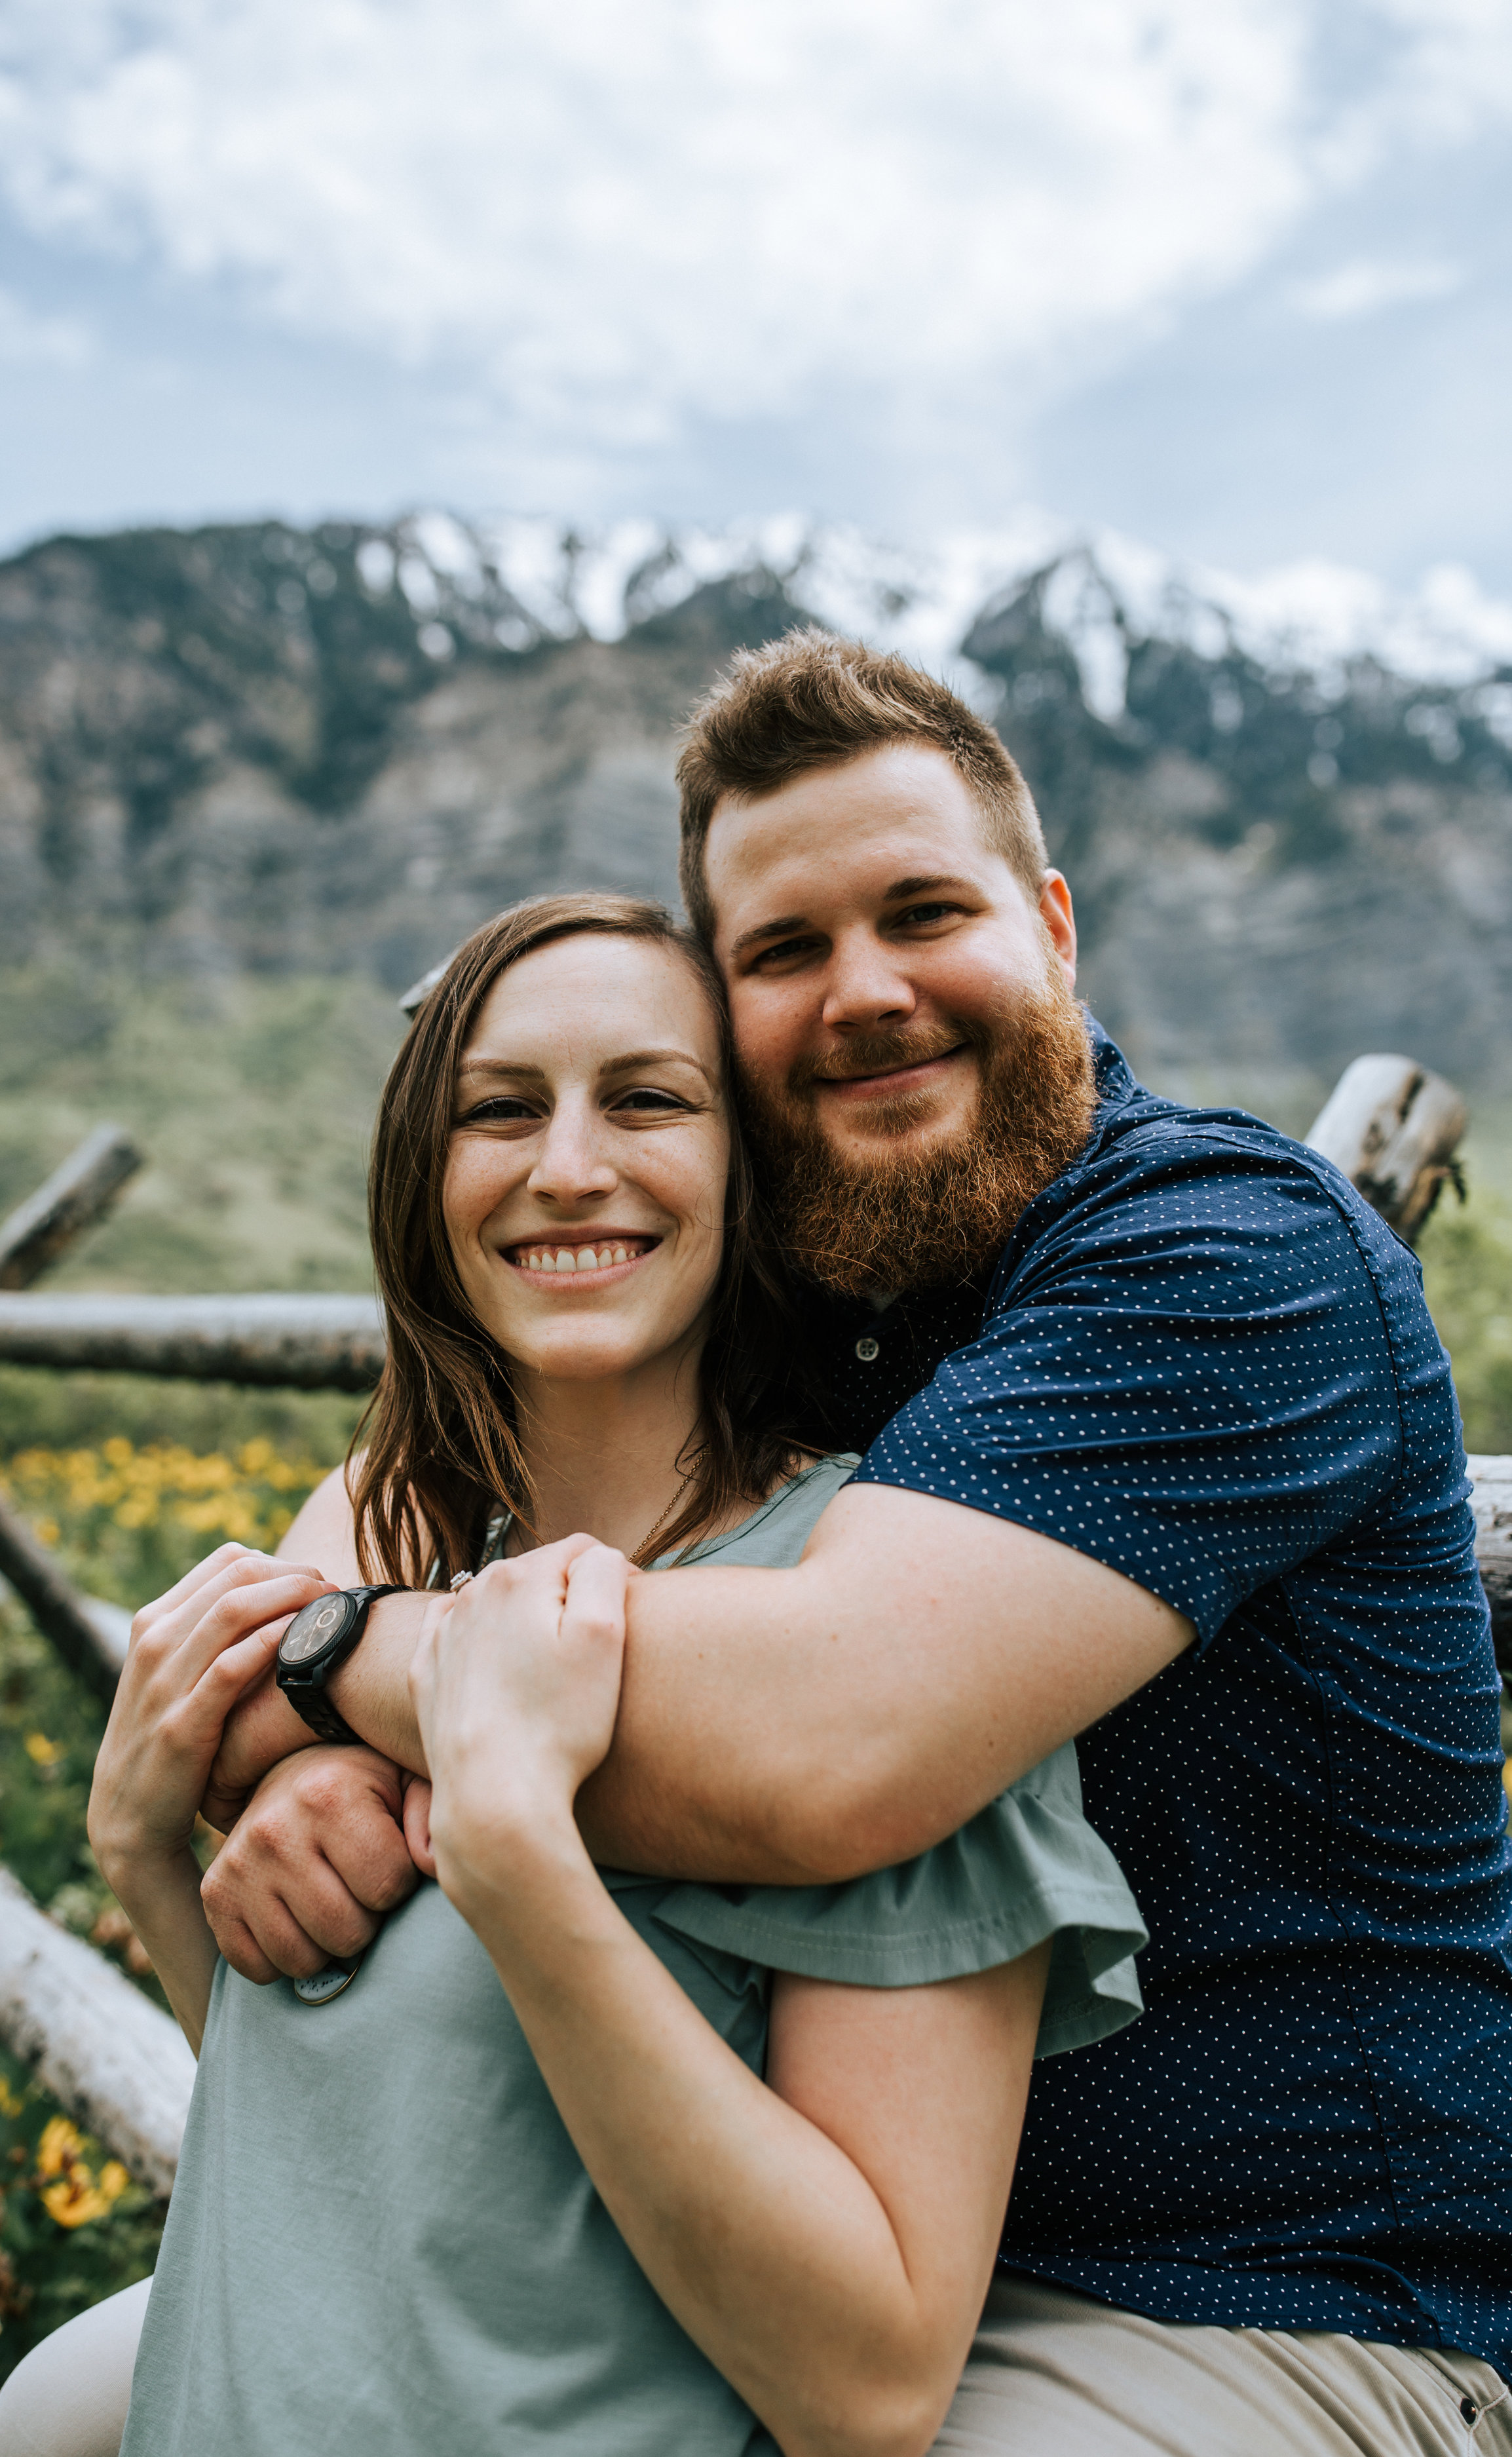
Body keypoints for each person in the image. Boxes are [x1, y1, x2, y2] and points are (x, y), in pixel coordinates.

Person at [202, 632, 1512, 2455]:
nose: (865, 992)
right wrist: (302, 1715)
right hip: (809, 2225)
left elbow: (833, 1741)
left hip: (1263, 2293)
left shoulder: (1219, 1251)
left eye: (922, 913)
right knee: (95, 2408)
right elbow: (409, 1476)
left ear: (1050, 923)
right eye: (784, 950)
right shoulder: (807, 1259)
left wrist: (341, 1668)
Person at [0, 892, 1144, 2457]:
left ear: (753, 1168)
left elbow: (867, 2387)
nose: (569, 1167)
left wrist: (519, 1851)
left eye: (649, 1099)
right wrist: (143, 1861)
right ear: (421, 1177)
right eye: (498, 1110)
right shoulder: (385, 1606)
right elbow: (360, 2167)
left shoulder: (870, 1642)